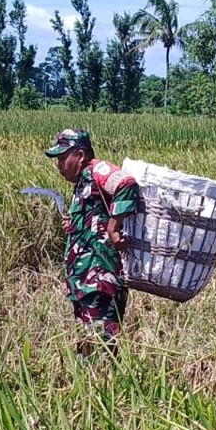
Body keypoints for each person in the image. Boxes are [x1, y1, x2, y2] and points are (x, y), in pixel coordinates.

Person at [44, 128, 140, 353]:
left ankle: (103, 383)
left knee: (101, 345)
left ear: (80, 155)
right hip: (84, 280)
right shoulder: (83, 183)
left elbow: (126, 184)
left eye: (62, 158)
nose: (59, 165)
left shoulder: (97, 169)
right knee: (89, 343)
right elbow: (93, 220)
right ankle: (91, 382)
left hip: (99, 278)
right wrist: (75, 225)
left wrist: (114, 227)